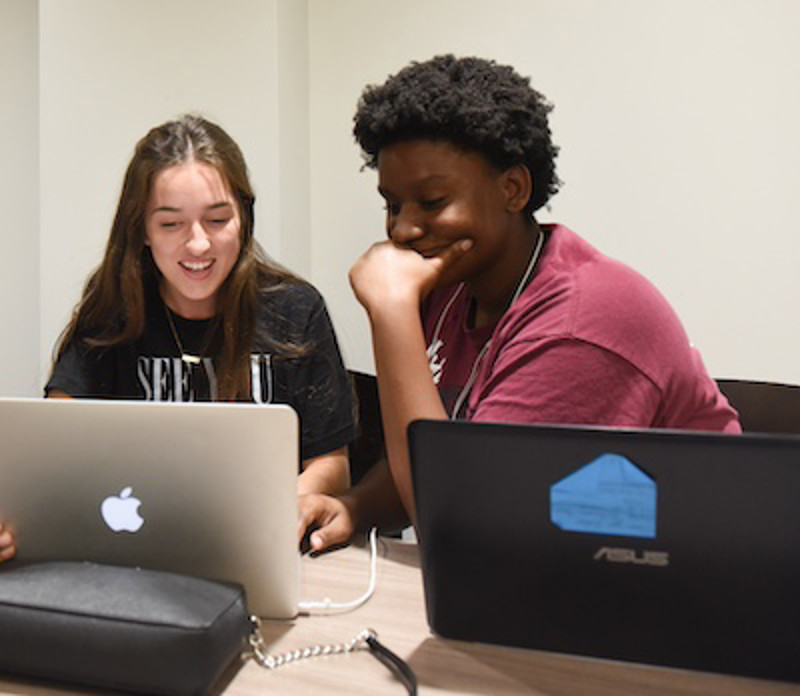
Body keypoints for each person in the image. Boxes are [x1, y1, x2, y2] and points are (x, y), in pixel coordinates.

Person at [298, 53, 741, 552]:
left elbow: (463, 525)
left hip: (694, 594)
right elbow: (430, 451)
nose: (401, 230)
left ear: (513, 189)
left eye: (432, 202)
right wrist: (354, 507)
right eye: (392, 204)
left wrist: (391, 313)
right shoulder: (449, 289)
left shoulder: (584, 319)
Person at [0, 115, 356, 563]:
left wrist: (272, 512)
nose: (198, 245)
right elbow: (51, 441)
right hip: (126, 557)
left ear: (244, 217)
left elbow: (332, 465)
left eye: (218, 219)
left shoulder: (294, 309)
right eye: (171, 225)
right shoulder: (114, 309)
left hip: (258, 554)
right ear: (142, 231)